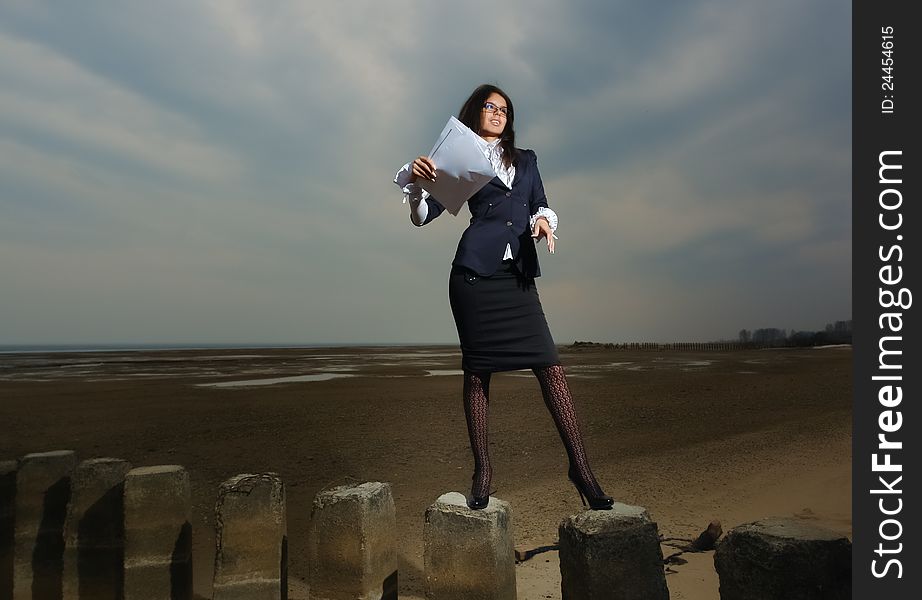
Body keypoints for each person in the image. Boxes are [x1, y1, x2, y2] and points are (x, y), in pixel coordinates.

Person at [394, 84, 613, 510]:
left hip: (518, 280)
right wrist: (419, 186)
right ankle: (483, 472)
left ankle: (582, 470)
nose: (498, 113)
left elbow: (540, 204)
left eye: (505, 109)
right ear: (476, 111)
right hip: (474, 277)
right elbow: (423, 217)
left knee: (551, 368)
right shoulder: (458, 159)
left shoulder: (527, 160)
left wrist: (544, 222)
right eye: (490, 106)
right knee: (478, 375)